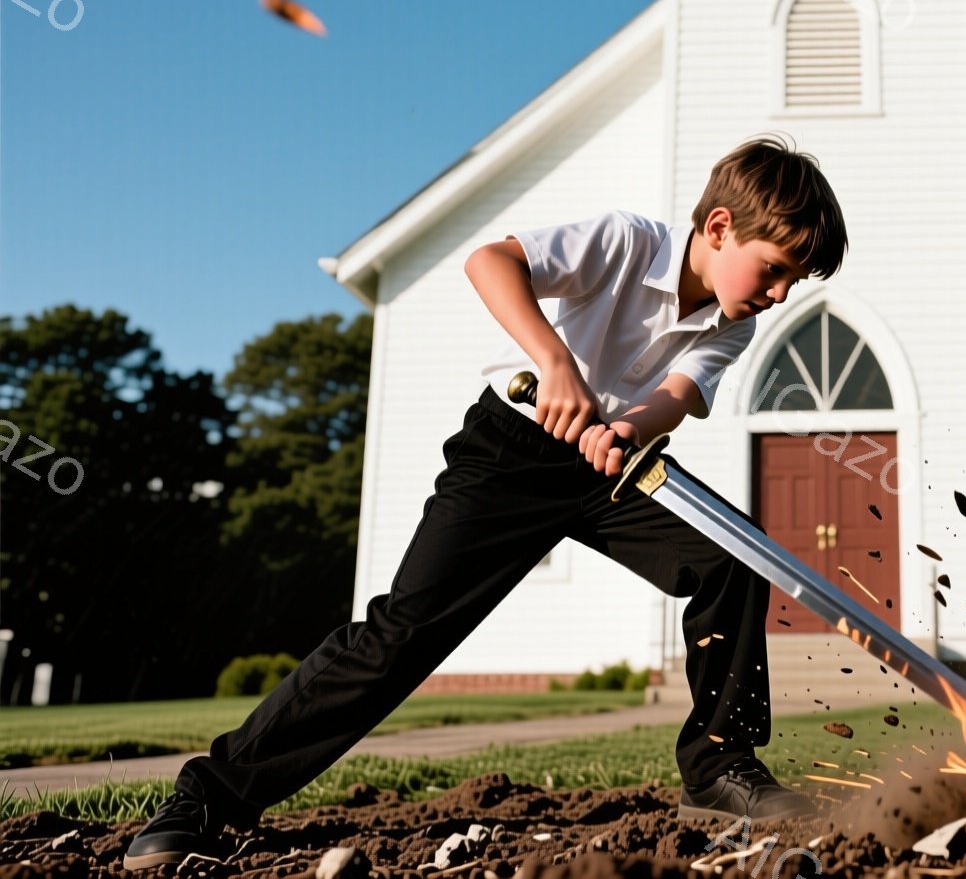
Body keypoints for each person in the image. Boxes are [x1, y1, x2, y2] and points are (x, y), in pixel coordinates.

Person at [123, 135, 849, 869]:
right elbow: (490, 261)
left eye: (792, 282)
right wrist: (555, 362)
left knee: (732, 556)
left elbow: (675, 396)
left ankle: (720, 768)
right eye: (774, 269)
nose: (779, 294)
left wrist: (625, 429)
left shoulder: (735, 322)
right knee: (400, 635)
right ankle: (209, 797)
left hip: (612, 468)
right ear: (720, 227)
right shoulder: (627, 242)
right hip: (510, 452)